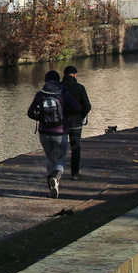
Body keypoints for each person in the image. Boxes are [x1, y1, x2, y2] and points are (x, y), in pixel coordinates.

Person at [27, 70, 82, 198]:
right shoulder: (63, 93)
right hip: (60, 132)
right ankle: (56, 177)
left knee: (50, 159)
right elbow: (78, 108)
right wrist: (65, 111)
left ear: (46, 80)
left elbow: (30, 113)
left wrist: (42, 116)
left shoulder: (40, 94)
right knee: (61, 160)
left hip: (44, 133)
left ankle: (51, 186)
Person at [61, 66, 92, 180]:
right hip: (75, 122)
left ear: (64, 75)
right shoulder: (79, 88)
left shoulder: (58, 87)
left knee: (59, 148)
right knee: (75, 147)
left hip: (60, 122)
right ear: (75, 75)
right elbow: (87, 106)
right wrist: (81, 116)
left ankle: (56, 172)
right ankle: (75, 173)